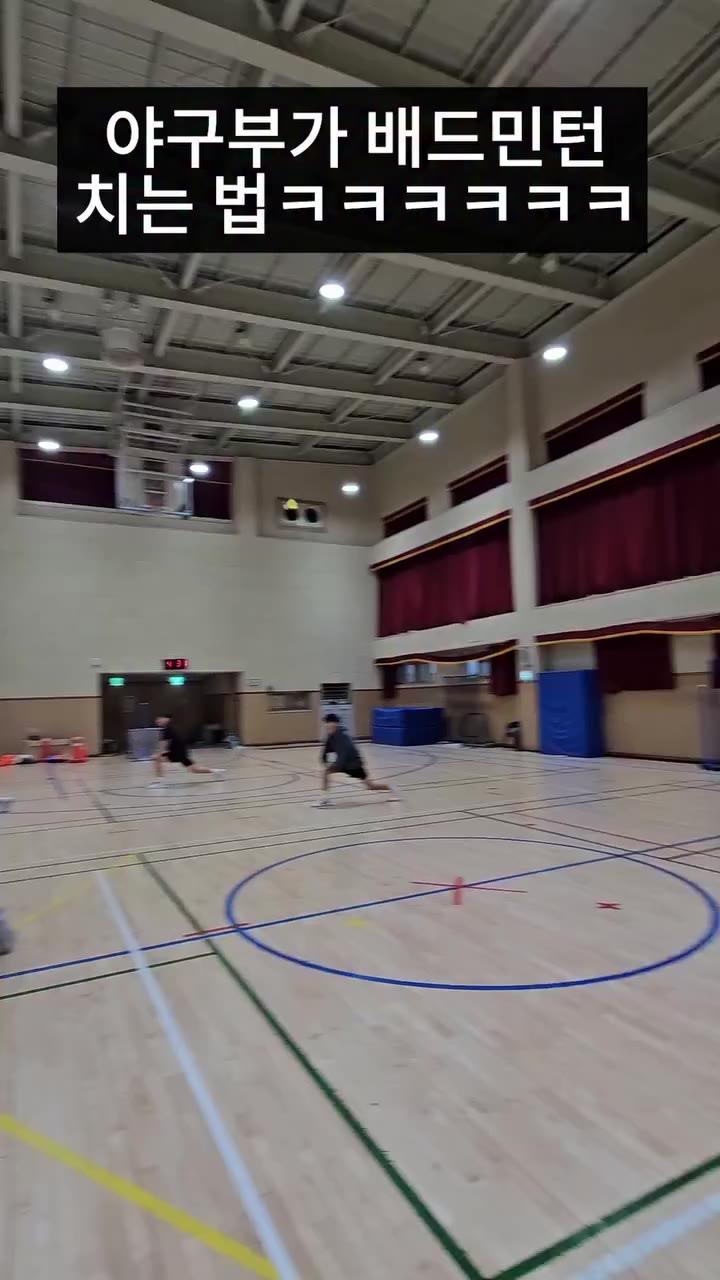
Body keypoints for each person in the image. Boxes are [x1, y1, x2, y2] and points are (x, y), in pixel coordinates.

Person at [316, 714, 397, 806]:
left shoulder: (344, 736)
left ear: (336, 724)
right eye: (326, 723)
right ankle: (325, 799)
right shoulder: (330, 737)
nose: (326, 725)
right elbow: (326, 751)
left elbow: (345, 753)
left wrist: (337, 765)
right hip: (343, 765)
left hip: (354, 765)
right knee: (326, 772)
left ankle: (391, 788)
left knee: (371, 786)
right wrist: (324, 760)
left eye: (329, 723)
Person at [152, 715, 223, 783]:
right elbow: (167, 744)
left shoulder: (167, 729)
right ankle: (215, 771)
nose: (158, 721)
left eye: (160, 719)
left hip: (177, 753)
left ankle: (160, 781)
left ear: (167, 720)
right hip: (180, 752)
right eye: (157, 720)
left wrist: (158, 754)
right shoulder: (168, 729)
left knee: (157, 758)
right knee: (194, 769)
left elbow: (163, 744)